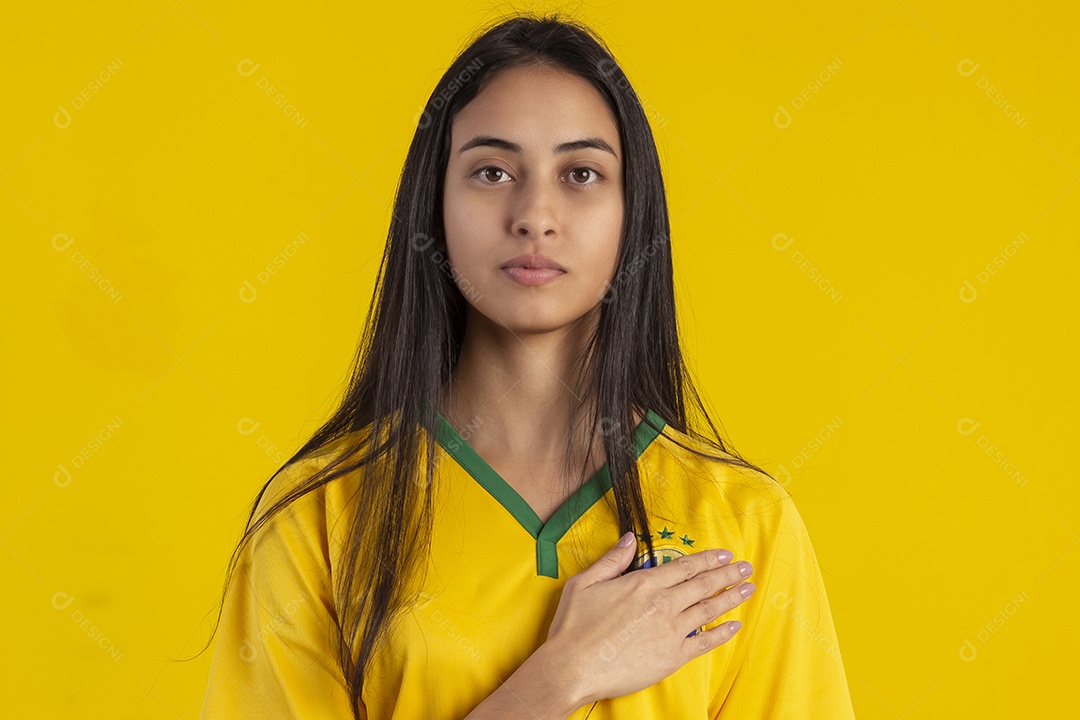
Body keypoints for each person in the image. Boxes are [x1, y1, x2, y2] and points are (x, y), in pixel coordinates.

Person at [195, 12, 856, 720]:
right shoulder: (318, 515)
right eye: (491, 171)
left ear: (633, 213)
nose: (535, 214)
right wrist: (563, 677)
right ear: (435, 206)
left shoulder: (745, 522)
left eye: (581, 173)